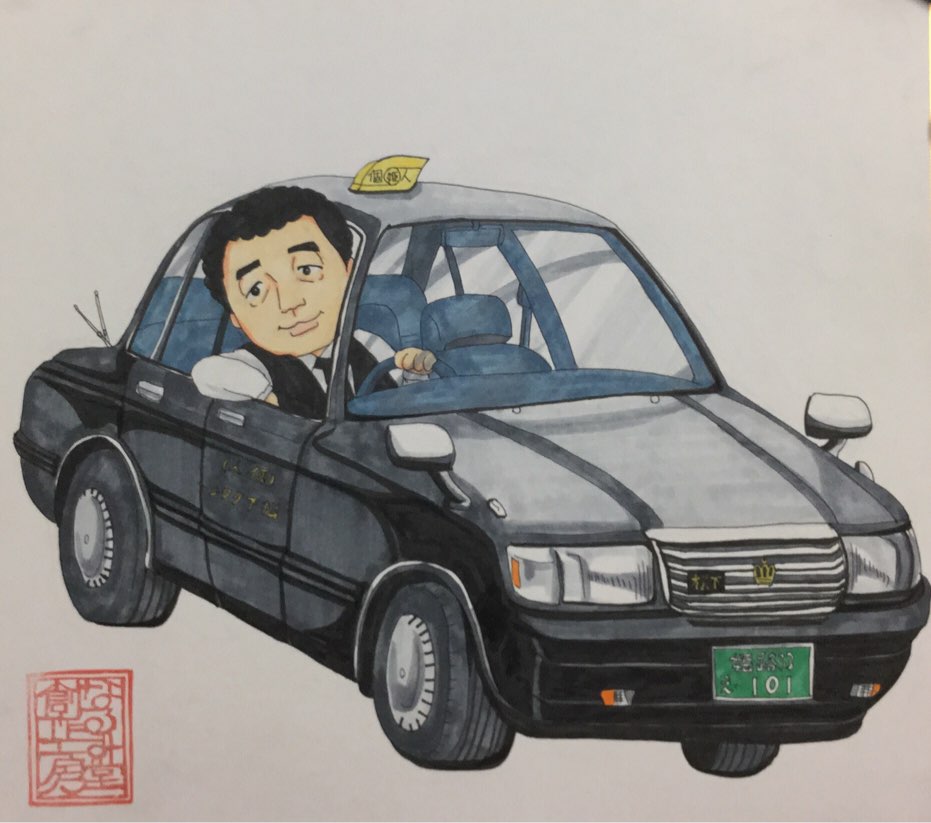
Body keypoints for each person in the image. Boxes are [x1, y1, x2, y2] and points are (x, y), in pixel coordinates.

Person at [192, 186, 435, 417]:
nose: (289, 303)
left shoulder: (369, 343)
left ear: (348, 273)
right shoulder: (254, 366)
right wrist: (265, 396)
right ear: (234, 315)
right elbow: (207, 372)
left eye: (306, 270)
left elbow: (403, 408)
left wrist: (414, 375)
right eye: (256, 290)